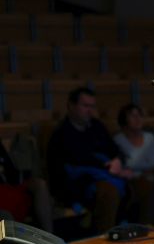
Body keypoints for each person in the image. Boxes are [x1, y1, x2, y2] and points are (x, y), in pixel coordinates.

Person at [46, 87, 127, 232]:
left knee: (143, 186)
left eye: (92, 106)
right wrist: (105, 165)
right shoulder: (61, 133)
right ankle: (104, 238)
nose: (90, 110)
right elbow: (71, 163)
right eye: (85, 106)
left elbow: (113, 149)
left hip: (107, 173)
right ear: (71, 106)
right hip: (79, 183)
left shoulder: (97, 126)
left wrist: (117, 160)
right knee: (109, 192)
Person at [113, 103, 154, 222]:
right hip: (131, 181)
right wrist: (140, 172)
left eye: (139, 115)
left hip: (153, 176)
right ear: (124, 120)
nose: (138, 119)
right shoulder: (118, 140)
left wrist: (143, 171)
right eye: (133, 116)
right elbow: (124, 168)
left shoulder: (149, 137)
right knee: (147, 188)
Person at [0, 132, 54, 233]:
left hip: (11, 185)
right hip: (3, 194)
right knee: (6, 214)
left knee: (40, 185)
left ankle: (49, 236)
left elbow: (10, 170)